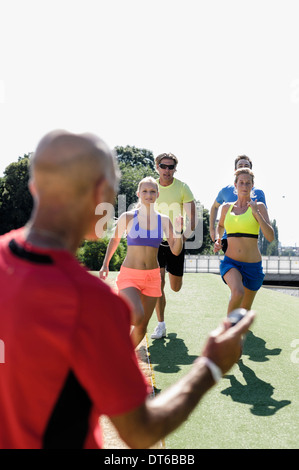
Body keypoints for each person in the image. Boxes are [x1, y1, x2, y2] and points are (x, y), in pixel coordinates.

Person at [0, 129, 255, 449]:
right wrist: (211, 366)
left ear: (34, 186)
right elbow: (141, 432)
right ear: (101, 194)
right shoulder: (92, 304)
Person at [99, 176, 183, 348]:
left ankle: (122, 357)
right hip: (130, 275)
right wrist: (105, 263)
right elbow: (114, 240)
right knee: (136, 315)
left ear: (158, 194)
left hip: (152, 278)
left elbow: (175, 250)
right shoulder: (128, 217)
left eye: (152, 191)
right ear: (138, 193)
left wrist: (179, 230)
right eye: (144, 191)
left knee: (142, 326)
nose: (148, 194)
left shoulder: (164, 220)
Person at [214, 167, 274, 314]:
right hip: (231, 262)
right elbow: (220, 226)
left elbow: (270, 237)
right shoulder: (226, 208)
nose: (245, 186)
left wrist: (256, 213)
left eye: (248, 183)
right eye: (241, 182)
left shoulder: (259, 206)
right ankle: (226, 331)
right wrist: (218, 239)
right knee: (238, 292)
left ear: (252, 185)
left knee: (244, 310)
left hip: (253, 266)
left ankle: (236, 326)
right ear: (235, 185)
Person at [151, 152, 198, 340]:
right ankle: (160, 325)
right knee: (157, 283)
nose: (167, 170)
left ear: (175, 169)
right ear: (157, 167)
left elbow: (192, 219)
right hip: (155, 241)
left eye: (171, 167)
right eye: (163, 166)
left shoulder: (182, 188)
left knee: (175, 287)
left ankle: (175, 278)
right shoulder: (151, 186)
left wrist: (181, 239)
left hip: (176, 239)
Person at [209, 155, 267, 251]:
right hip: (228, 239)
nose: (243, 167)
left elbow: (264, 219)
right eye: (240, 166)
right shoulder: (225, 190)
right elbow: (214, 207)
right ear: (235, 170)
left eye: (246, 166)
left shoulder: (259, 193)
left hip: (249, 239)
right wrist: (212, 229)